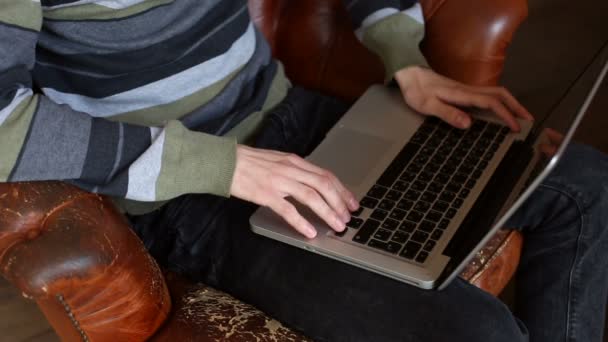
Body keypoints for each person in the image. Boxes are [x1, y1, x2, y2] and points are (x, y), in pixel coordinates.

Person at [1, 0, 607, 341]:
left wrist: (405, 57)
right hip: (186, 192)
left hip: (292, 114)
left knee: (583, 186)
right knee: (480, 336)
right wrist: (224, 166)